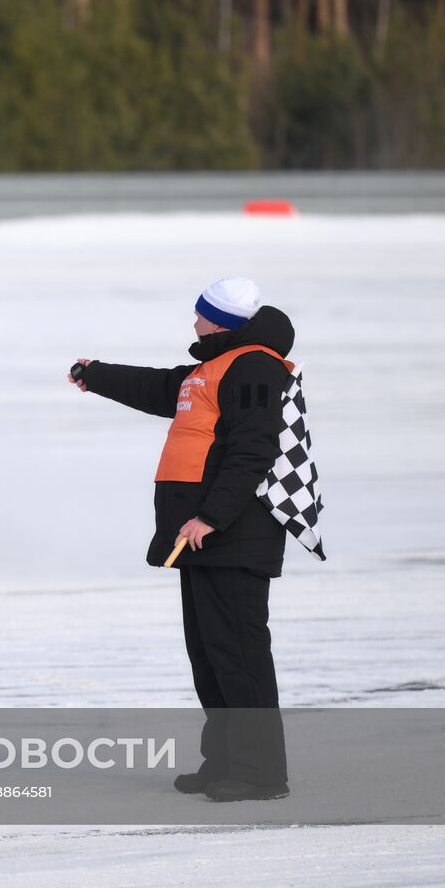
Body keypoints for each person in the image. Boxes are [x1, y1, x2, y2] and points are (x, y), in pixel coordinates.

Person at [68, 277, 292, 802]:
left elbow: (254, 449)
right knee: (211, 656)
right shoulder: (211, 368)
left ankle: (261, 774)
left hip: (233, 534)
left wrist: (211, 517)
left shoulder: (254, 366)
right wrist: (95, 375)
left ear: (221, 320)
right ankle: (224, 763)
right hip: (201, 538)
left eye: (200, 315)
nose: (193, 323)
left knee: (239, 654)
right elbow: (158, 389)